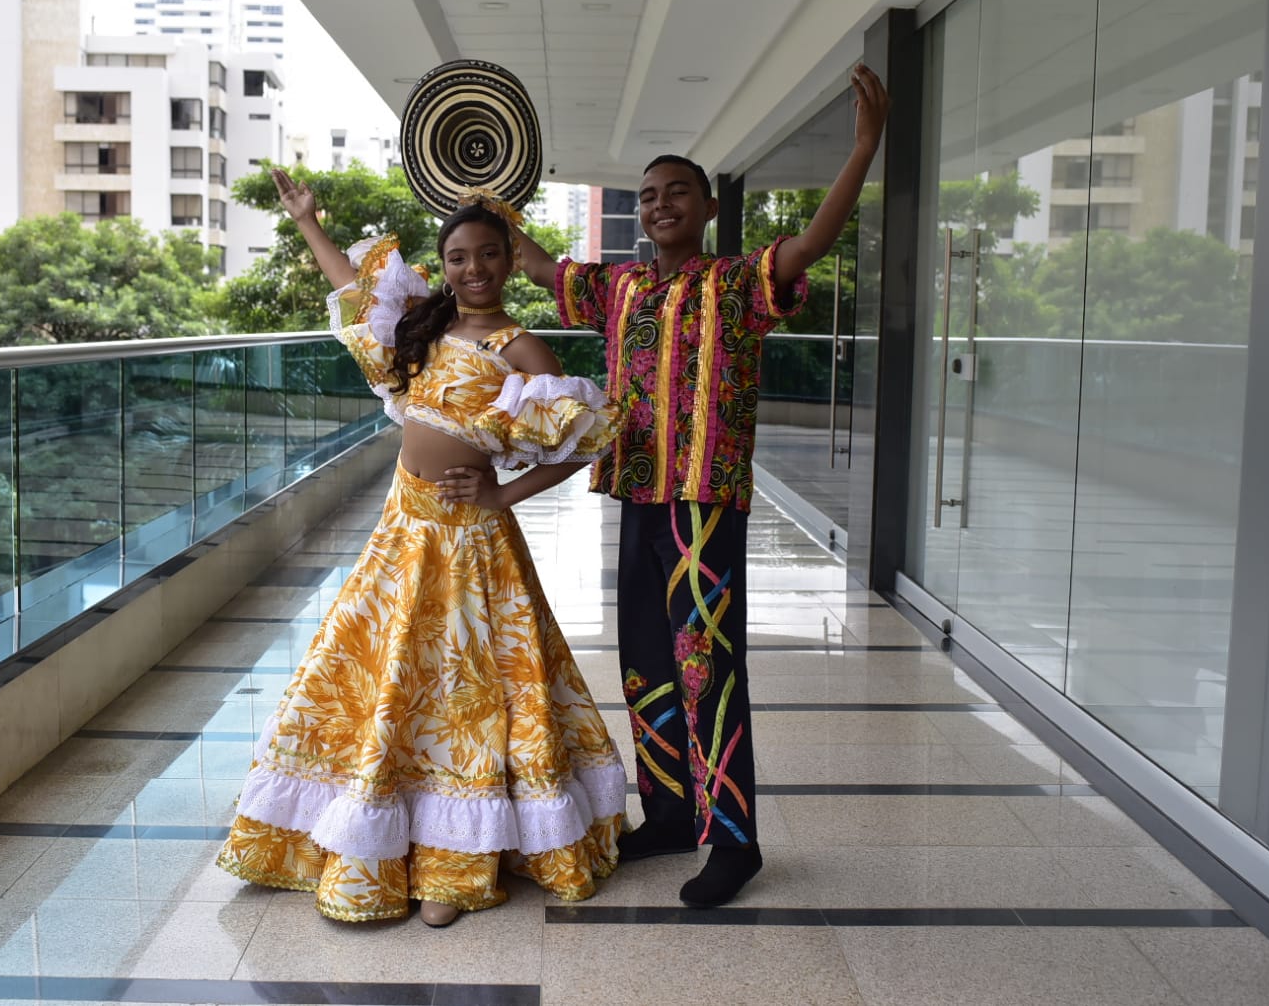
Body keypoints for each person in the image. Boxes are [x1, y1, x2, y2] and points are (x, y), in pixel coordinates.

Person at [516, 64, 890, 908]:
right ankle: (671, 811)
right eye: (647, 197)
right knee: (646, 661)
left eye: (675, 192)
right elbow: (540, 268)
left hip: (703, 505)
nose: (658, 206)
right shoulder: (619, 287)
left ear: (708, 206)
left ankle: (734, 840)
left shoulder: (740, 281)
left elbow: (811, 246)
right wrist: (495, 200)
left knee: (706, 668)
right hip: (638, 495)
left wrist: (862, 148)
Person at [216, 169, 629, 927]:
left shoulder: (521, 347)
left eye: (487, 255)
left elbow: (586, 440)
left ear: (509, 261)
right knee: (383, 677)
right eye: (458, 257)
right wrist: (309, 220)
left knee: (462, 694)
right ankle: (383, 838)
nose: (473, 269)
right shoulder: (422, 329)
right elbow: (353, 284)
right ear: (444, 266)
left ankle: (455, 860)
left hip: (473, 547)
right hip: (402, 531)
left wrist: (503, 495)